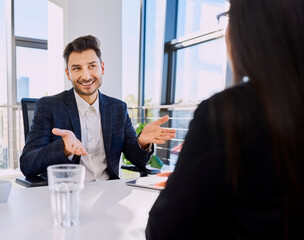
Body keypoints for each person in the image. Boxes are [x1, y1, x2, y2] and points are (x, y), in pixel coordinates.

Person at [146, 0, 304, 239]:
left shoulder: (225, 114)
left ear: (249, 27)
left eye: (229, 15)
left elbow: (164, 231)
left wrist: (187, 184)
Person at [19, 35, 176, 181]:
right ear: (68, 74)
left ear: (102, 68)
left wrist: (142, 142)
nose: (86, 76)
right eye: (77, 68)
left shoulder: (118, 108)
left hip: (109, 193)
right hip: (69, 193)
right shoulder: (49, 106)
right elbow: (27, 165)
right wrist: (63, 148)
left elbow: (137, 160)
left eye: (92, 66)